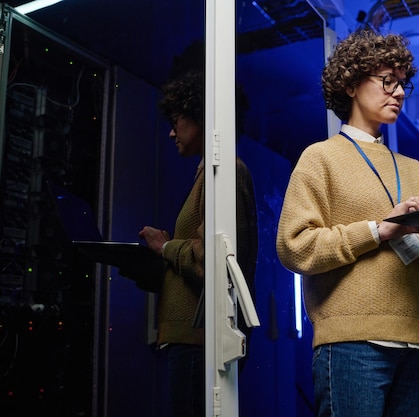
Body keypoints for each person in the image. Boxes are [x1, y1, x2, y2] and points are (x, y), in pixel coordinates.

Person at [275, 29, 419, 417]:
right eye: (388, 81)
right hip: (352, 345)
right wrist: (379, 229)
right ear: (351, 84)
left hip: (416, 340)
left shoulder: (414, 169)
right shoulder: (320, 158)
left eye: (403, 83)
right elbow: (294, 246)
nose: (399, 92)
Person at [137, 44, 258, 417]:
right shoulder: (209, 174)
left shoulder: (225, 173)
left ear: (201, 116)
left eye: (177, 122)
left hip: (200, 343)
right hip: (192, 341)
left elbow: (214, 262)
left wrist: (165, 246)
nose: (172, 133)